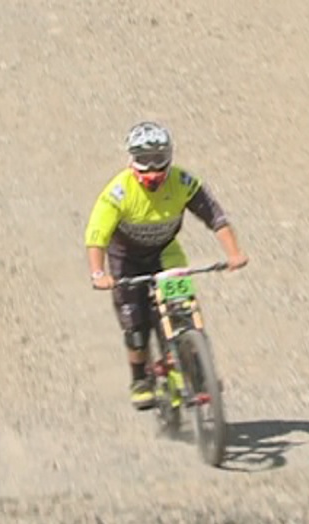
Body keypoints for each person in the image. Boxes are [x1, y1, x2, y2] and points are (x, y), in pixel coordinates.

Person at [83, 121, 249, 410]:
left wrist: (234, 253)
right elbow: (96, 236)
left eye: (159, 159)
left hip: (165, 253)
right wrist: (99, 273)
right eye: (143, 160)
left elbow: (215, 217)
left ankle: (195, 366)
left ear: (170, 156)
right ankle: (140, 379)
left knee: (182, 307)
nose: (152, 169)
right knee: (136, 326)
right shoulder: (118, 193)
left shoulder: (183, 183)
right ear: (130, 160)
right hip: (126, 261)